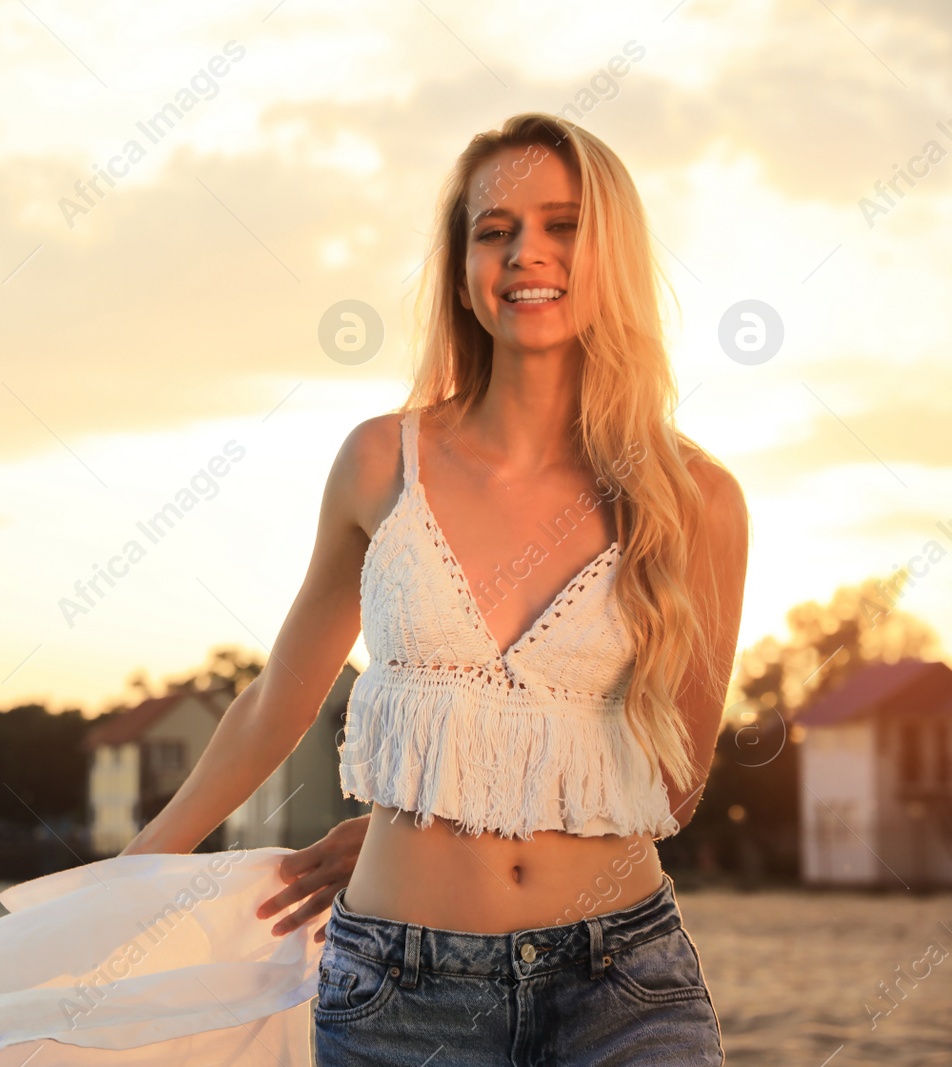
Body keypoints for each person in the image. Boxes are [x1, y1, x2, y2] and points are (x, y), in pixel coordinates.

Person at [118, 112, 748, 1064]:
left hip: (621, 983)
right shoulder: (380, 462)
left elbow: (676, 780)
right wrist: (135, 874)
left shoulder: (697, 499)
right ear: (463, 265)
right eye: (493, 230)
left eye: (561, 224)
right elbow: (273, 704)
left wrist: (426, 800)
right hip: (397, 994)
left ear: (611, 250)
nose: (524, 251)